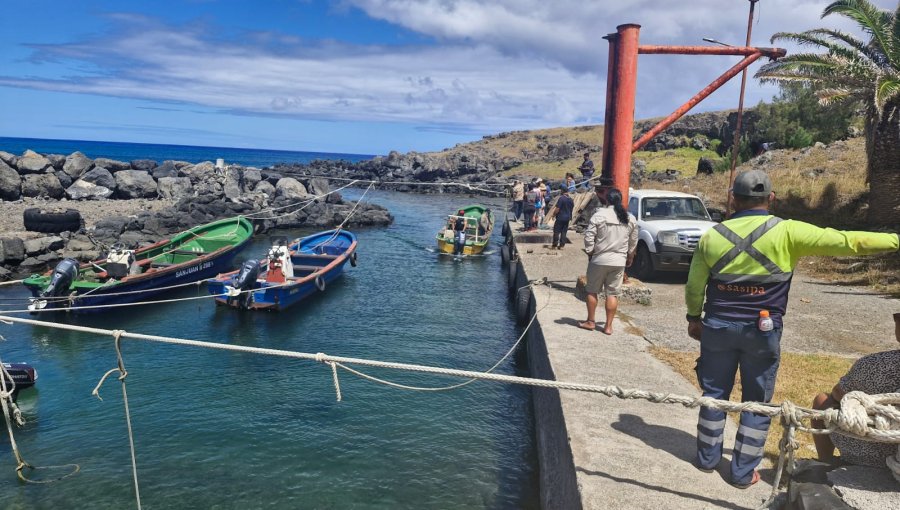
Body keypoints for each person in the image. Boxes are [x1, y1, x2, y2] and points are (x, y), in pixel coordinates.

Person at [684, 170, 899, 489]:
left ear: (734, 198)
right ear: (770, 199)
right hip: (763, 331)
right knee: (757, 400)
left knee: (715, 393)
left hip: (718, 327)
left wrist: (693, 318)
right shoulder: (788, 232)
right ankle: (743, 473)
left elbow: (694, 286)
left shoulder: (712, 235)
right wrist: (895, 240)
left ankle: (706, 458)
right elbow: (848, 241)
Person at [811, 312, 900, 467]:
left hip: (862, 447)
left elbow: (838, 393)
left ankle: (825, 461)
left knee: (822, 401)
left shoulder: (874, 364)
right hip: (893, 453)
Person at [581, 186, 637, 334]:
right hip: (619, 261)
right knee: (612, 293)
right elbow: (633, 241)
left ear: (607, 200)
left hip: (599, 259)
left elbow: (589, 236)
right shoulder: (630, 218)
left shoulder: (599, 215)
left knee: (592, 290)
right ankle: (608, 326)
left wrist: (590, 251)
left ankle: (590, 321)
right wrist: (630, 256)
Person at [551, 185, 574, 249]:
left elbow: (557, 209)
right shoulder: (571, 200)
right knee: (564, 232)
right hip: (567, 218)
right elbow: (571, 209)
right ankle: (562, 246)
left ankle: (555, 245)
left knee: (556, 231)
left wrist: (553, 215)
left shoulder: (561, 198)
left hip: (560, 217)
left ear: (562, 191)